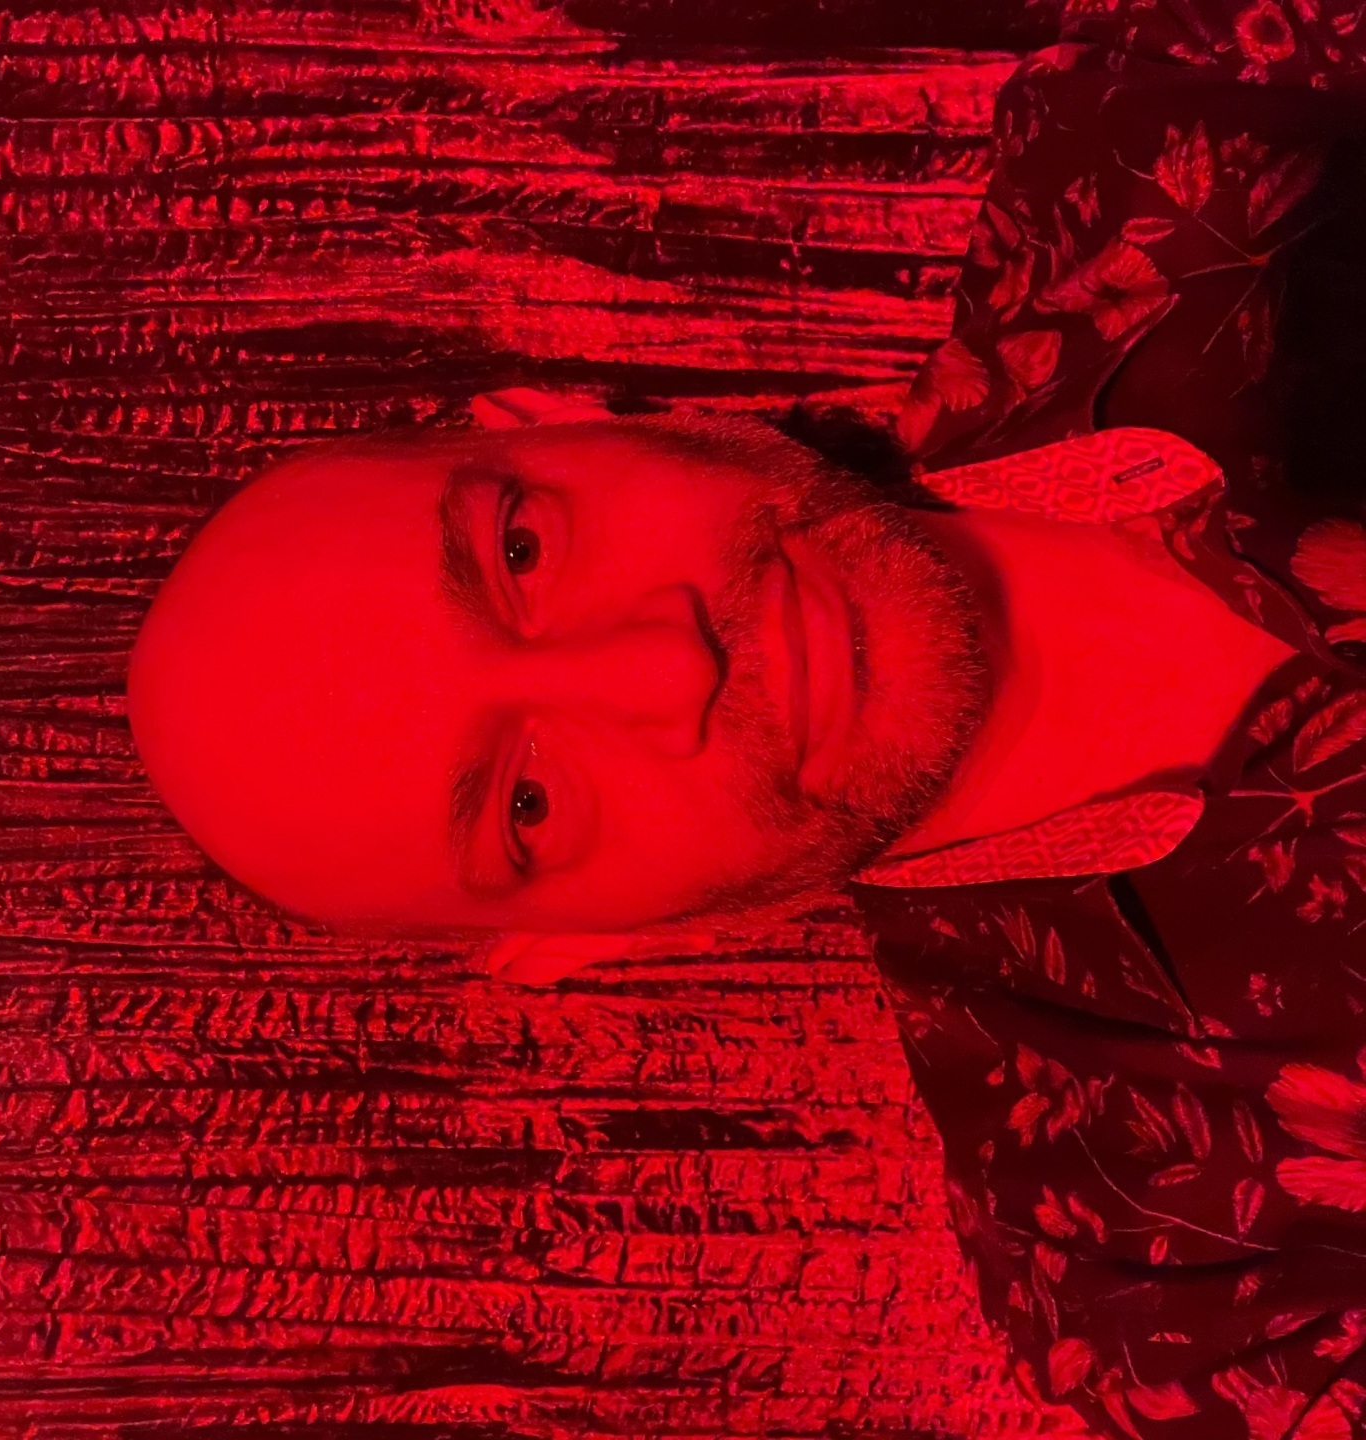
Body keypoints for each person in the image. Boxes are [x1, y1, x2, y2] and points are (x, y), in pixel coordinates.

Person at [126, 1, 1366, 1435]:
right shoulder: (1161, 1278)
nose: (661, 668)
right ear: (589, 940)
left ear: (556, 419)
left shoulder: (1163, 125)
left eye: (521, 552)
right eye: (528, 803)